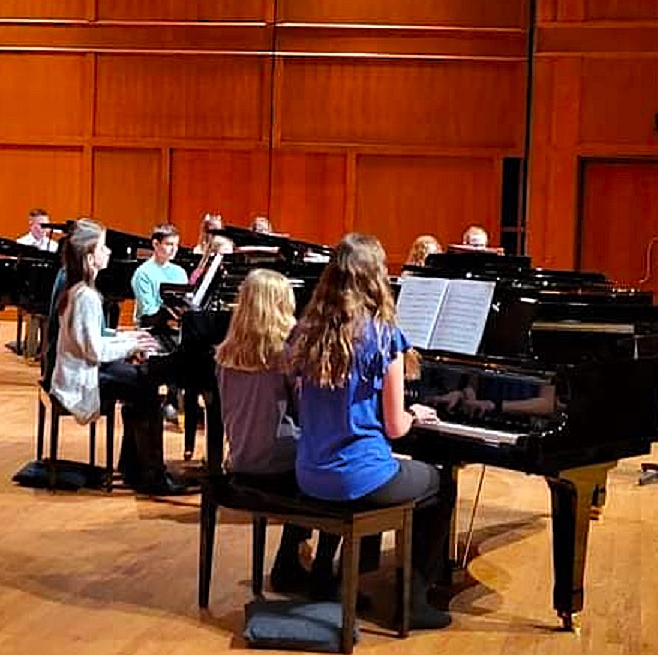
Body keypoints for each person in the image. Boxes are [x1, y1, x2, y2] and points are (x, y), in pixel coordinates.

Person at [287, 233, 454, 629]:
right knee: (440, 485)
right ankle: (413, 601)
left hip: (309, 472)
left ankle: (342, 577)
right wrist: (416, 415)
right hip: (359, 476)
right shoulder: (383, 337)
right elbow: (395, 428)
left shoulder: (307, 333)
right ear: (374, 277)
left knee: (386, 473)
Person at [49, 224, 188, 496]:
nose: (109, 251)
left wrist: (129, 339)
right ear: (90, 259)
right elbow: (95, 351)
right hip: (80, 381)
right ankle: (151, 476)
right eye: (103, 247)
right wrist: (132, 344)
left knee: (140, 380)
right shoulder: (86, 296)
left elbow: (92, 340)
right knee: (145, 386)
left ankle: (134, 466)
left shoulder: (78, 289)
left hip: (78, 371)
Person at [214, 268, 329, 592]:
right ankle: (319, 573)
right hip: (276, 462)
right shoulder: (284, 355)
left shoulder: (225, 353)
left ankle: (292, 558)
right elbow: (305, 412)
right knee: (332, 469)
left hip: (239, 459)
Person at [129, 223, 186, 325]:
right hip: (151, 328)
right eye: (169, 244)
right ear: (155, 244)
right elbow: (149, 312)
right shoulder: (143, 273)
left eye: (176, 245)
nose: (174, 249)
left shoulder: (180, 272)